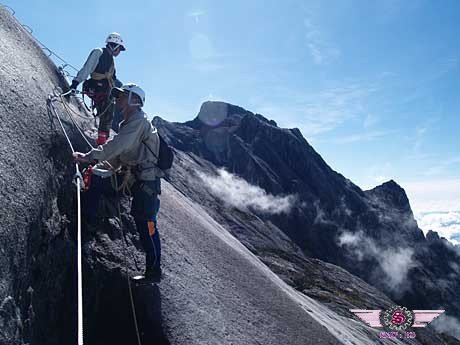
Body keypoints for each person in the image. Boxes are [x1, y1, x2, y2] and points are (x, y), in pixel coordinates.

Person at [74, 83, 163, 281]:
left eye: (123, 96)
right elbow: (120, 153)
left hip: (145, 182)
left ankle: (154, 272)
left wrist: (90, 156)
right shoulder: (130, 121)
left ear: (134, 100)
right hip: (133, 177)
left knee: (146, 224)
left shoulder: (138, 122)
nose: (118, 99)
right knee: (96, 178)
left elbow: (119, 146)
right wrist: (97, 163)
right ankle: (87, 225)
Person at [69, 33, 126, 145]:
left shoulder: (111, 60)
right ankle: (101, 143)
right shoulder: (99, 52)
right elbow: (87, 68)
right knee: (106, 116)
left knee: (108, 116)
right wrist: (75, 83)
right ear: (114, 45)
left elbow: (112, 79)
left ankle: (102, 142)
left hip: (106, 91)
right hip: (97, 89)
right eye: (119, 48)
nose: (119, 52)